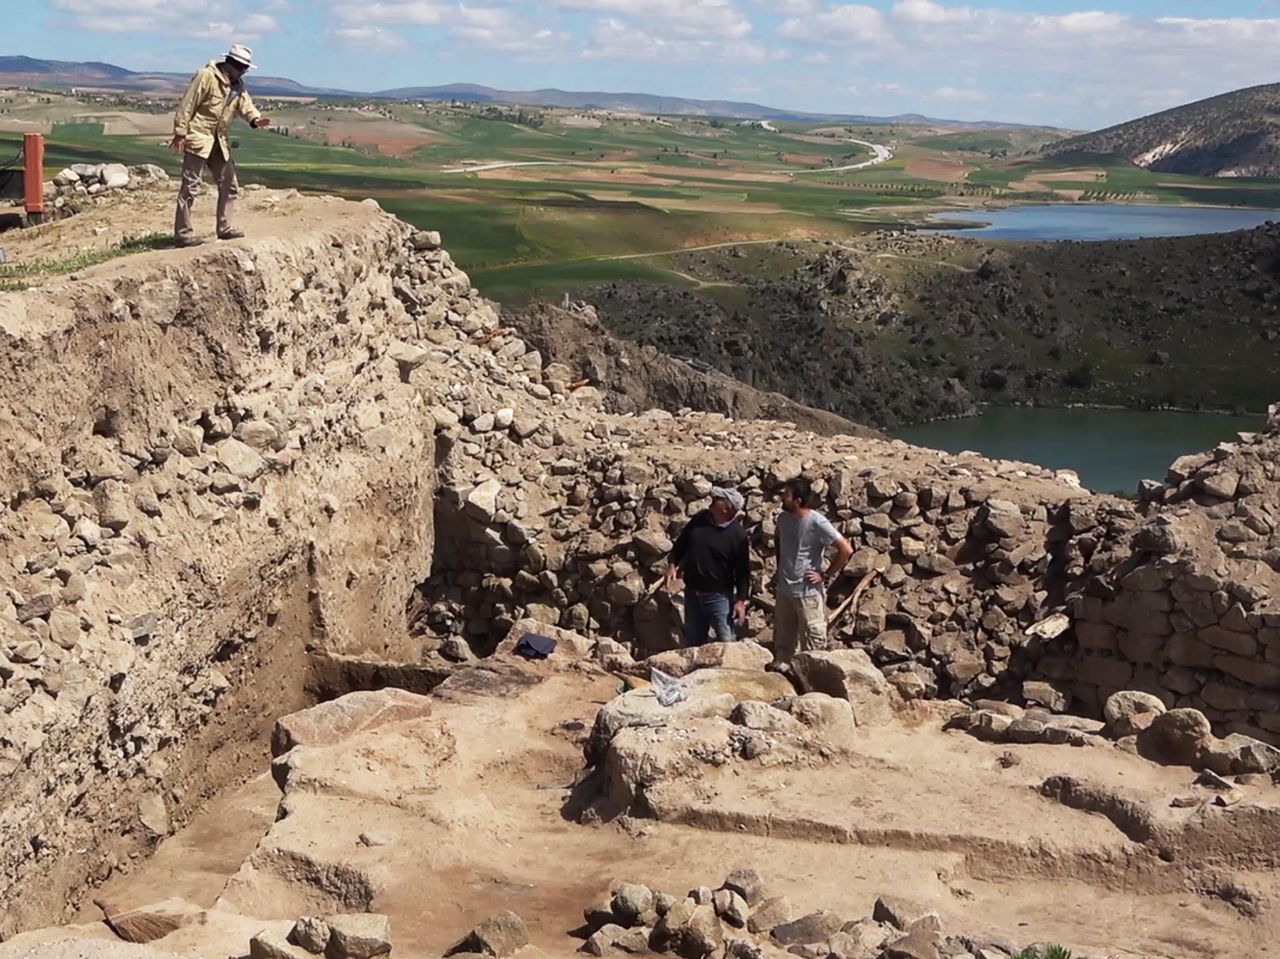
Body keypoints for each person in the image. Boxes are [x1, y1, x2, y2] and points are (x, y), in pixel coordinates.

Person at [170, 44, 271, 247]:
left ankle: (224, 228)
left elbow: (246, 105)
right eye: (242, 67)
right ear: (231, 63)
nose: (244, 71)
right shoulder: (206, 76)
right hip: (199, 137)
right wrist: (180, 132)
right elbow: (188, 104)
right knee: (190, 187)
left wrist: (255, 119)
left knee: (230, 184)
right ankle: (183, 234)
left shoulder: (237, 85)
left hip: (219, 140)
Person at [771, 476, 853, 670]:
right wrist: (780, 567)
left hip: (807, 593)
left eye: (787, 494)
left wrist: (825, 575)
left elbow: (846, 550)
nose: (782, 497)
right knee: (783, 640)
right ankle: (782, 673)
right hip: (785, 591)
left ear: (798, 500)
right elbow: (778, 540)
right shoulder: (783, 519)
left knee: (812, 643)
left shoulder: (817, 521)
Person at [664, 487, 750, 647]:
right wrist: (672, 564)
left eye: (718, 498)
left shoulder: (738, 536)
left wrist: (740, 601)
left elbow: (743, 572)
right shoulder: (700, 519)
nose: (713, 499)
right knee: (693, 644)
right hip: (692, 595)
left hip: (719, 598)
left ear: (727, 508)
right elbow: (682, 543)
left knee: (727, 643)